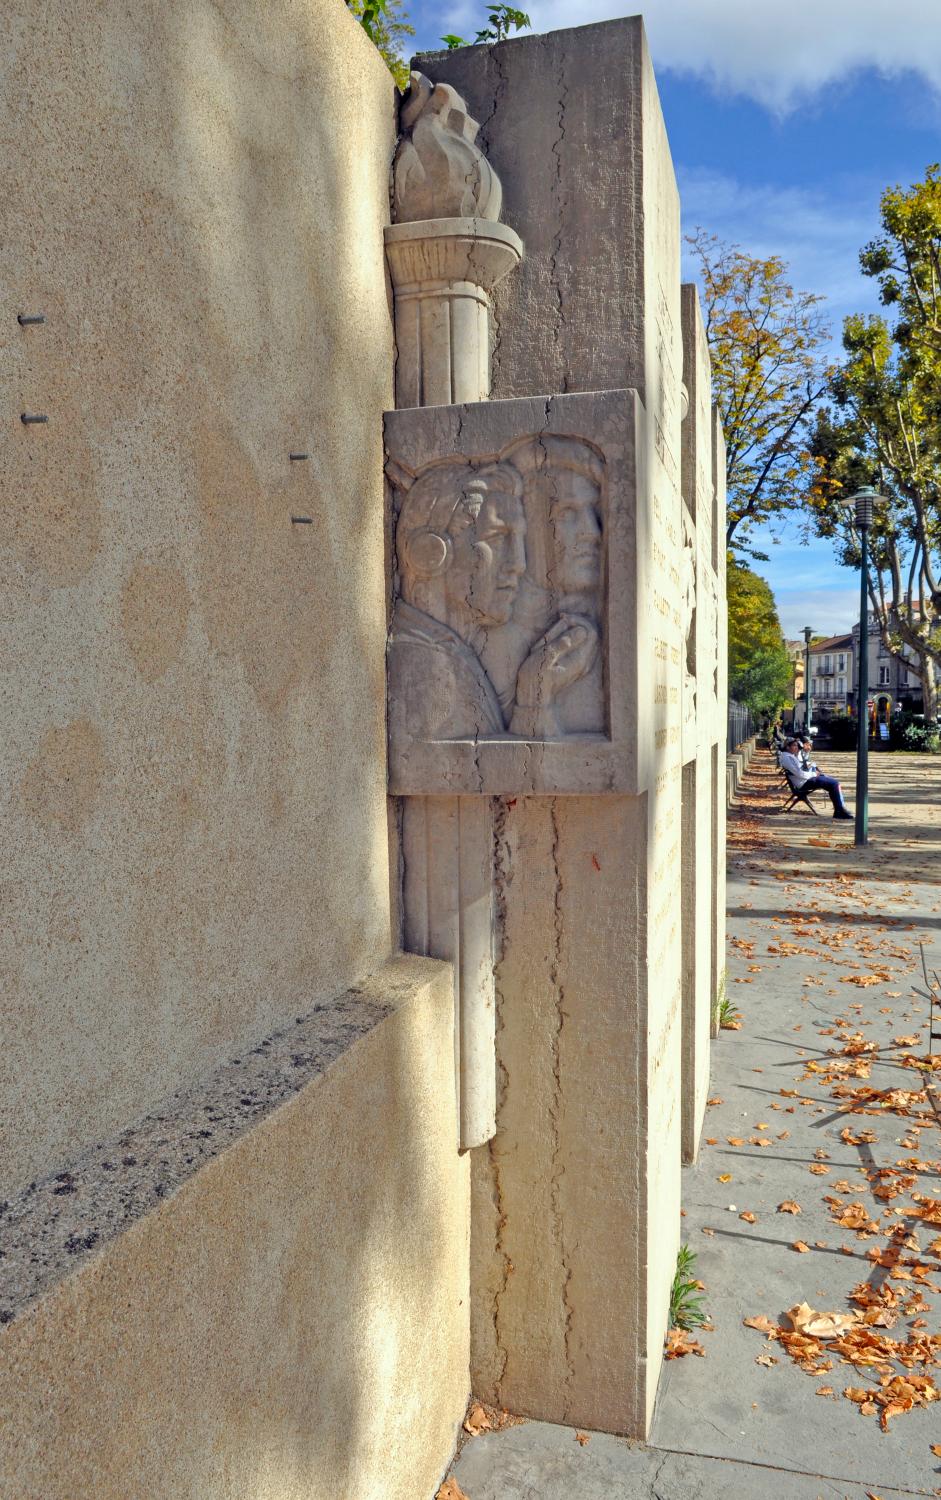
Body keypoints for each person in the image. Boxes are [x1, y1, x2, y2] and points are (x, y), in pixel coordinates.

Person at [779, 738, 853, 819]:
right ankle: (839, 810)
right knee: (834, 783)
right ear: (787, 747)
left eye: (797, 745)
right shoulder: (787, 758)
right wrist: (814, 774)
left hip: (804, 780)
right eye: (794, 745)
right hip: (804, 783)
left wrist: (809, 764)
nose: (797, 747)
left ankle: (840, 809)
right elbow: (799, 773)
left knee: (831, 782)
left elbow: (800, 767)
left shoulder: (789, 756)